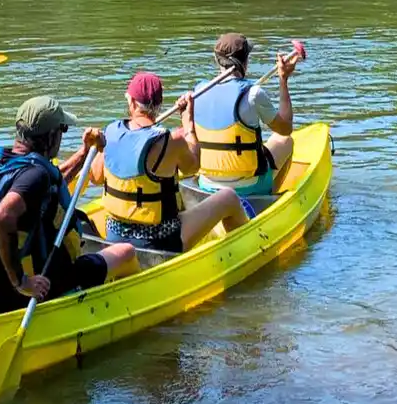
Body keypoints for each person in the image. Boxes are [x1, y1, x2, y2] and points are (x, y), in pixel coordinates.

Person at [0, 95, 138, 318]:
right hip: (41, 284)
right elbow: (1, 218)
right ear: (51, 136)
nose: (62, 136)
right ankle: (124, 306)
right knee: (126, 251)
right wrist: (21, 282)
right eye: (62, 129)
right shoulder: (35, 176)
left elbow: (52, 182)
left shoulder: (4, 161)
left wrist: (84, 153)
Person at [89, 71, 250, 253]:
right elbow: (193, 166)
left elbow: (94, 177)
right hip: (159, 241)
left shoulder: (110, 133)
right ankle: (244, 251)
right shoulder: (170, 141)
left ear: (132, 102)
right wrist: (188, 122)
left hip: (115, 237)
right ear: (159, 105)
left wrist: (99, 147)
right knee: (228, 197)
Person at [193, 33, 306, 199]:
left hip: (206, 183)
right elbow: (285, 128)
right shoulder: (254, 94)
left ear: (217, 60)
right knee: (285, 140)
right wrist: (283, 80)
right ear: (245, 62)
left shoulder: (197, 91)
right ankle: (268, 198)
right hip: (247, 186)